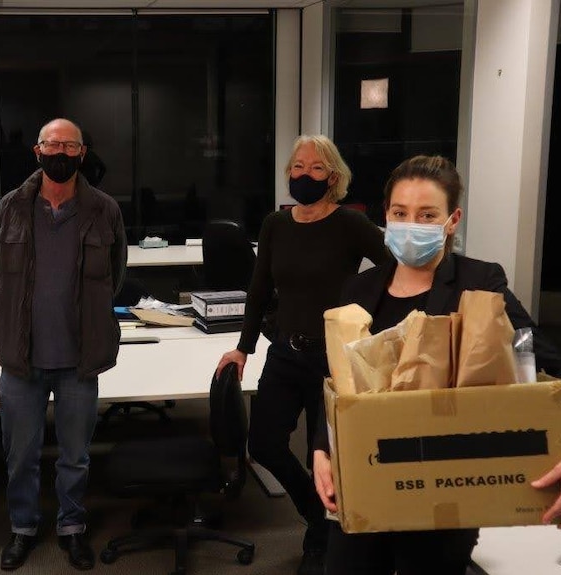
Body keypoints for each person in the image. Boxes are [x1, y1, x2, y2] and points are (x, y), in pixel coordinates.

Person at [312, 155, 561, 575]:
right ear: (386, 217)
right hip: (367, 472)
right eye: (400, 213)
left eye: (427, 215)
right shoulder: (360, 287)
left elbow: (535, 355)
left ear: (452, 219)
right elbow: (337, 378)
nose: (412, 224)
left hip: (443, 479)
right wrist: (322, 447)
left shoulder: (479, 282)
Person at [216, 134, 391, 575]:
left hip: (334, 359)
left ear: (333, 177)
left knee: (328, 459)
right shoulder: (277, 224)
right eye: (297, 167)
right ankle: (318, 517)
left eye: (315, 168)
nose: (304, 174)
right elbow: (258, 292)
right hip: (285, 354)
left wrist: (368, 318)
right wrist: (243, 347)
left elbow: (392, 270)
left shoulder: (350, 224)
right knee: (264, 445)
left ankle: (322, 540)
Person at [0, 118, 127, 571]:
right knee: (20, 457)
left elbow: (115, 274)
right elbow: (1, 276)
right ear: (37, 150)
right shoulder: (10, 208)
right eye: (53, 144)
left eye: (70, 145)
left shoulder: (104, 209)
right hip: (21, 361)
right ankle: (23, 527)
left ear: (83, 153)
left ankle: (72, 527)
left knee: (75, 457)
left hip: (79, 361)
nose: (61, 153)